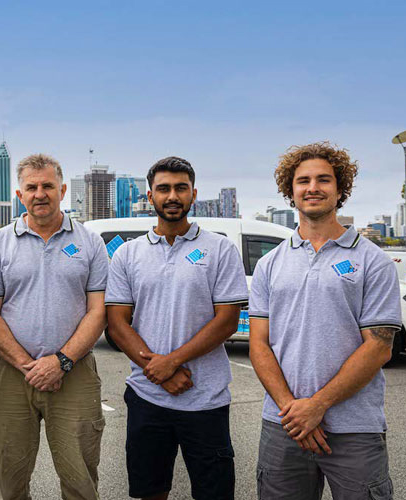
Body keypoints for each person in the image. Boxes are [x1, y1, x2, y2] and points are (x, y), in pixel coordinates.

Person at [249, 142, 401, 500]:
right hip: (284, 423)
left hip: (354, 428)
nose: (312, 188)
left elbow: (378, 347)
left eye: (323, 180)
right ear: (290, 191)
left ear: (340, 189)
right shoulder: (269, 264)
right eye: (303, 181)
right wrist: (294, 411)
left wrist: (317, 406)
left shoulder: (373, 261)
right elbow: (259, 344)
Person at [106, 156, 248, 500]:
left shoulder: (220, 249)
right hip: (146, 396)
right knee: (151, 491)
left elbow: (227, 320)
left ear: (193, 193)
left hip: (206, 399)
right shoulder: (128, 254)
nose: (172, 196)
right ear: (150, 196)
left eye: (181, 188)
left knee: (214, 493)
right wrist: (159, 372)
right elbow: (117, 322)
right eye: (164, 188)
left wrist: (171, 362)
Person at [0, 153, 108, 500]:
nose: (40, 194)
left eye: (48, 186)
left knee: (81, 482)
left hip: (75, 371)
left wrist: (61, 361)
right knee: (8, 482)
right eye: (31, 187)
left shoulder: (89, 243)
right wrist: (28, 365)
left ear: (62, 190)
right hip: (10, 373)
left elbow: (97, 311)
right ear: (19, 194)